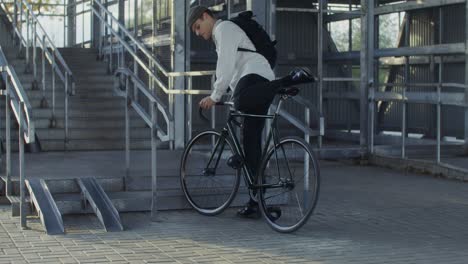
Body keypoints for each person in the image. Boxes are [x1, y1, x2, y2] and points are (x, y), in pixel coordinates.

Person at [188, 6, 314, 218]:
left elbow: (226, 67)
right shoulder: (220, 37)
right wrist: (222, 93)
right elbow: (231, 71)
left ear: (206, 16)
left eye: (198, 27)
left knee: (241, 101)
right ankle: (257, 203)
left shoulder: (224, 28)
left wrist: (215, 96)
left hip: (255, 75)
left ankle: (287, 80)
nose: (199, 33)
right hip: (254, 83)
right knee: (250, 145)